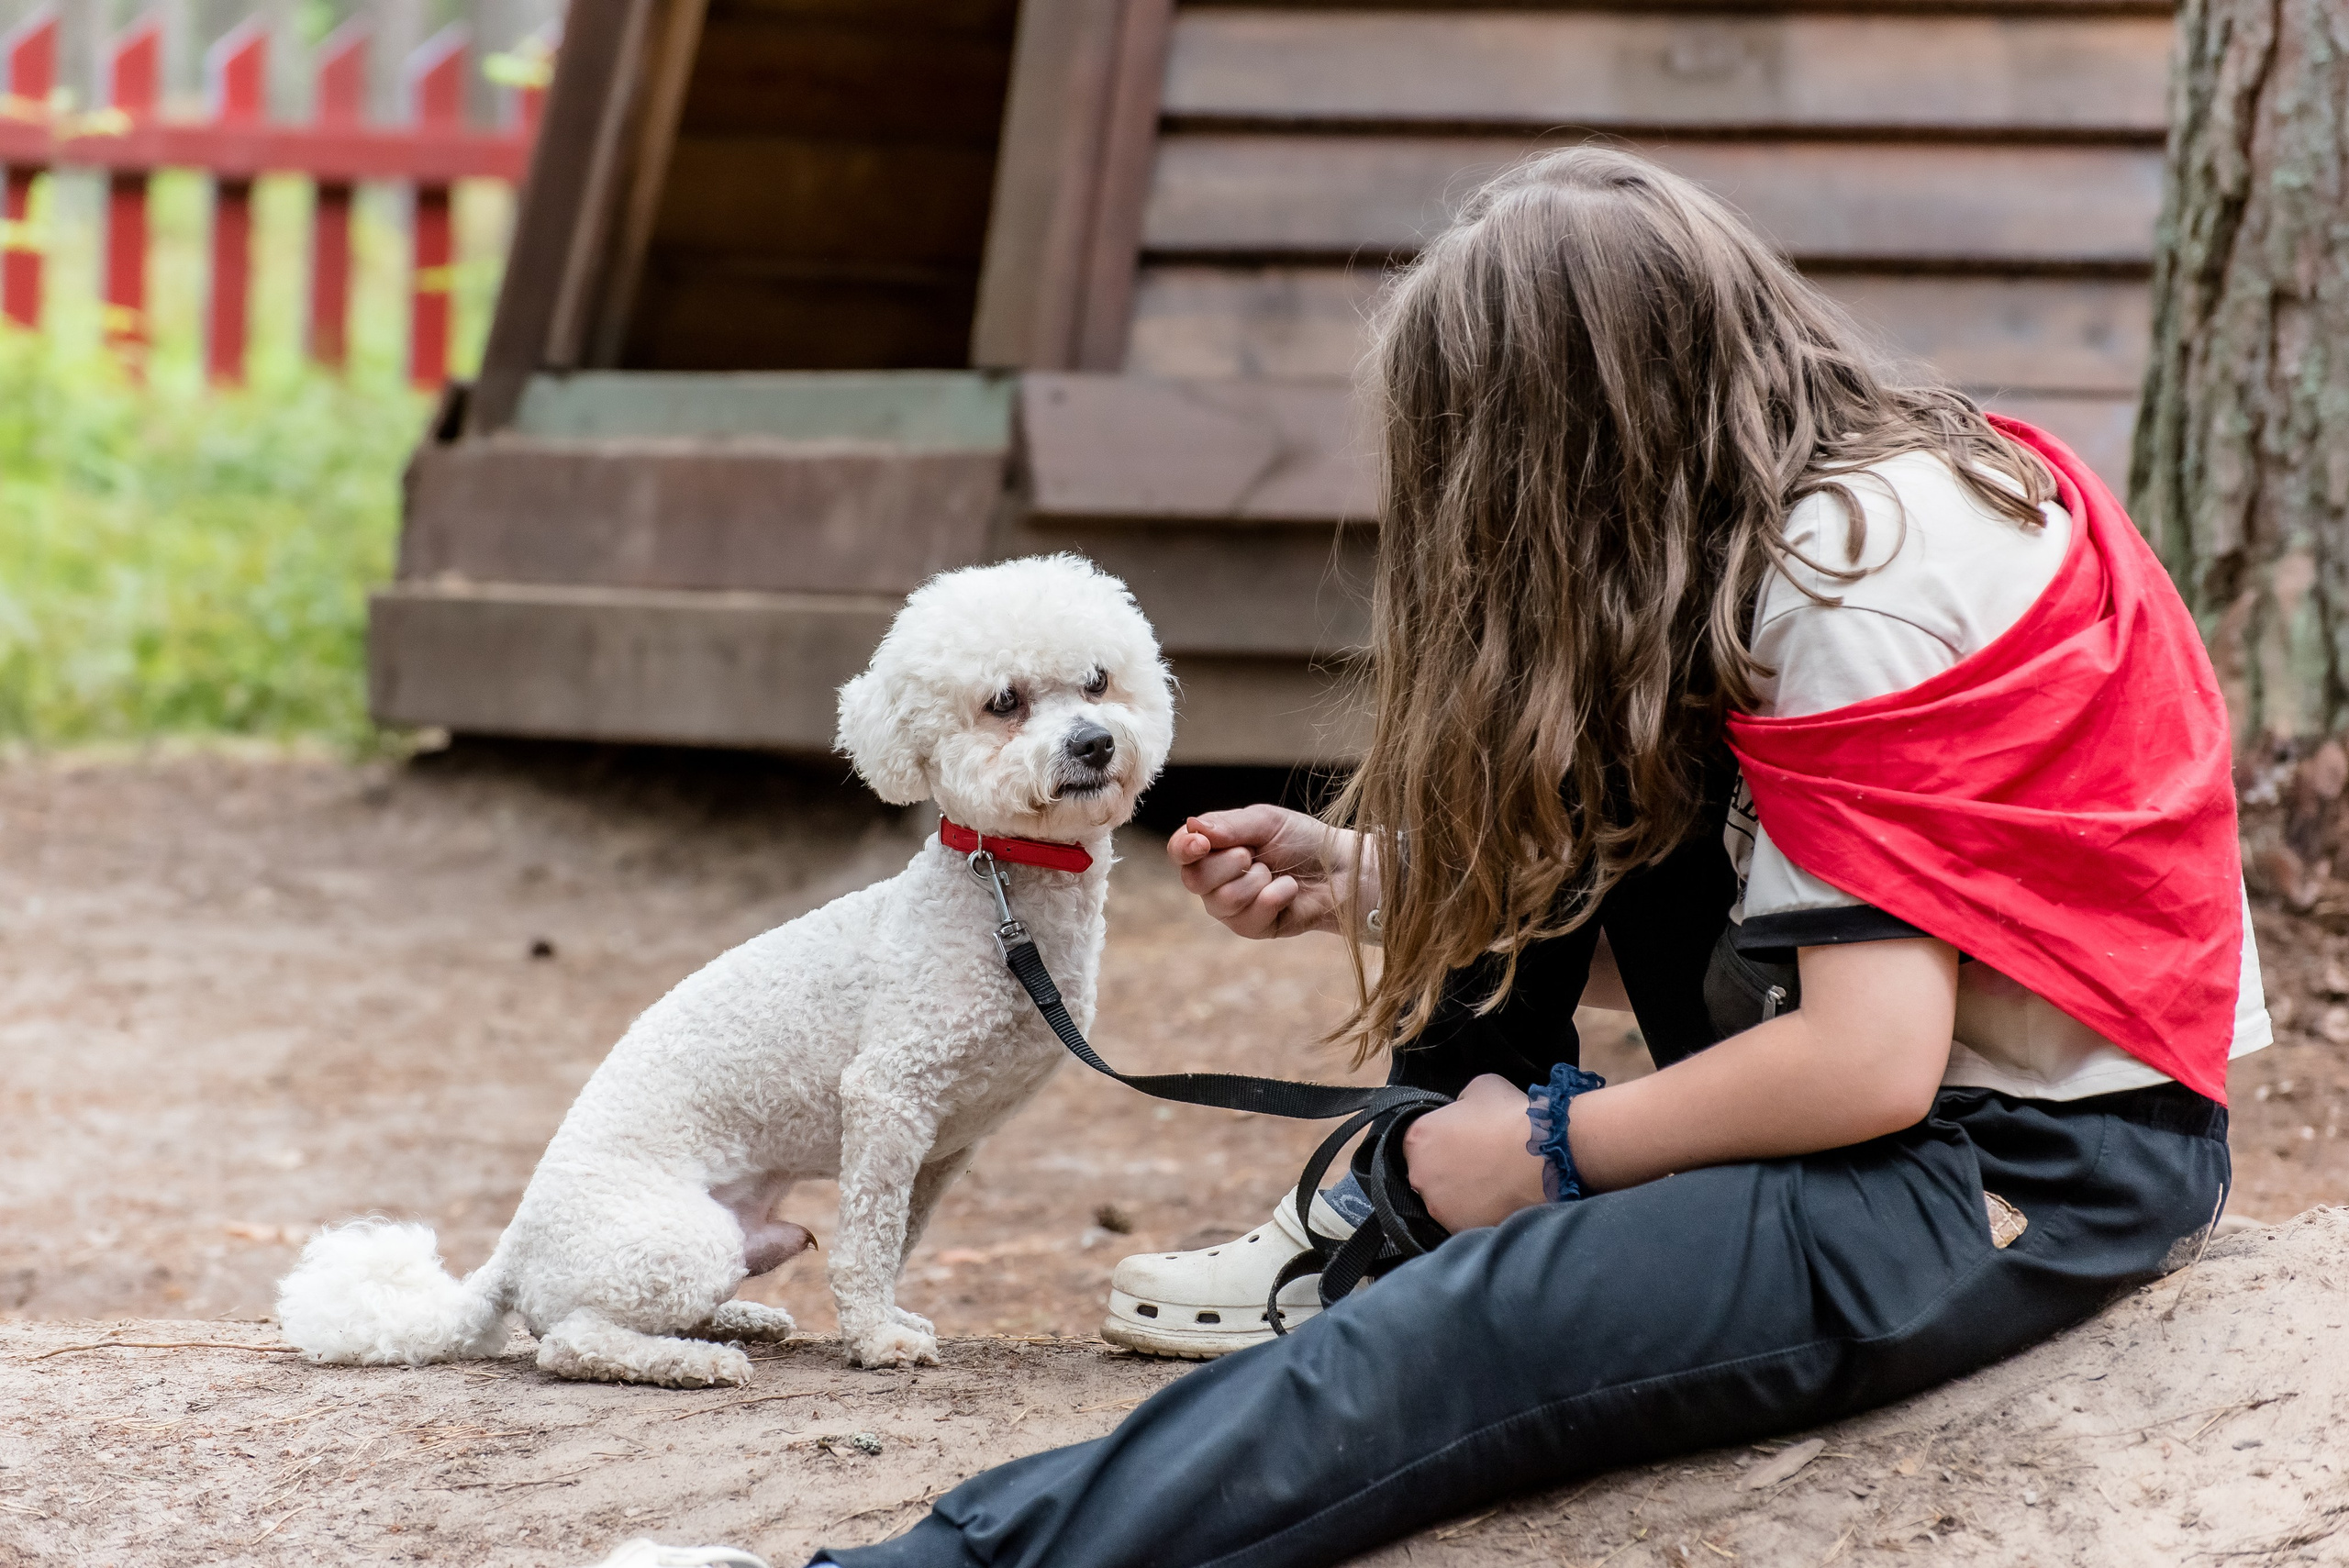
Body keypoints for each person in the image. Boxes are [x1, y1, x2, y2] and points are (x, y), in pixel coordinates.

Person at [798, 146, 2260, 1568]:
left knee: (1462, 1334)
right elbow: (1829, 945)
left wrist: (1545, 1154)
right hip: (1970, 1096)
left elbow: (1869, 1058)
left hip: (2024, 1168)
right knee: (1553, 780)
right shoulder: (1873, 489)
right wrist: (1383, 879)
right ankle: (1406, 1195)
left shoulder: (1841, 583)